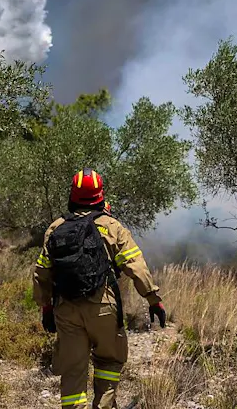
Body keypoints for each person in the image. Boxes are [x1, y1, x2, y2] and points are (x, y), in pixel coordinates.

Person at [33, 168, 166, 409]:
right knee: (109, 362)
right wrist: (153, 299)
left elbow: (42, 272)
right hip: (104, 307)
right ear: (101, 195)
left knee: (73, 371)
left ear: (72, 194)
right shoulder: (112, 227)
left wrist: (46, 309)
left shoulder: (56, 227)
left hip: (66, 310)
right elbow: (136, 266)